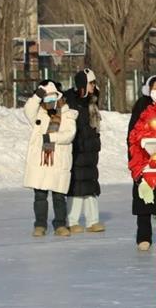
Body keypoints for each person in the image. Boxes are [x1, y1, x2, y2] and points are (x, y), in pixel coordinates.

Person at [24, 81, 77, 238]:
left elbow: (69, 134)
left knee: (58, 195)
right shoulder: (38, 113)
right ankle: (40, 224)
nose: (49, 100)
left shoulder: (67, 113)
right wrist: (37, 95)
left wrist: (51, 137)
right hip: (40, 161)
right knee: (40, 195)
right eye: (45, 97)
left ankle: (60, 224)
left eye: (51, 96)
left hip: (58, 159)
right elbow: (28, 110)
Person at [128, 76, 156, 250]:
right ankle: (143, 236)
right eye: (155, 87)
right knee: (144, 197)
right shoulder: (141, 105)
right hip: (144, 158)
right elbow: (132, 133)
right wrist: (135, 157)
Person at [63, 68, 103, 233]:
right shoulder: (71, 101)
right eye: (91, 83)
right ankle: (72, 221)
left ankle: (93, 220)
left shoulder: (92, 101)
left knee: (91, 185)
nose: (94, 86)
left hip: (91, 151)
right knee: (77, 186)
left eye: (94, 83)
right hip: (77, 149)